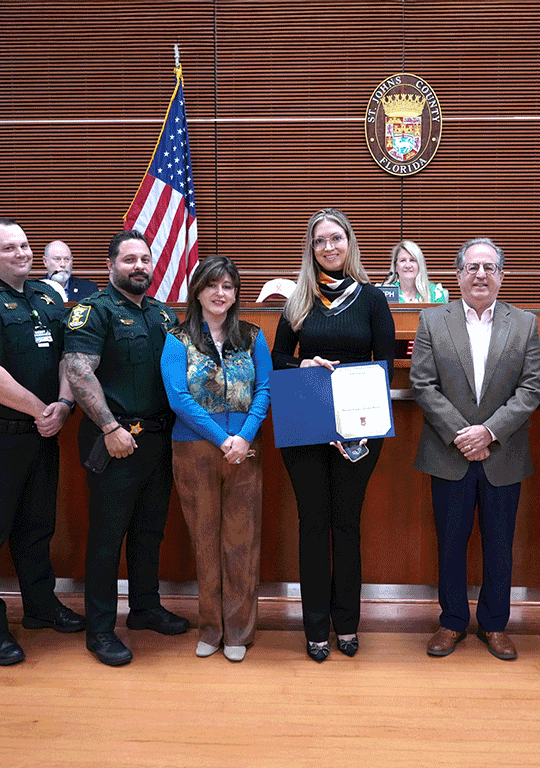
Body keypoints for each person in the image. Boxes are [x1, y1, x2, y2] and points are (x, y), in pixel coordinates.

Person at [0, 218, 84, 666]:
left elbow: (69, 355)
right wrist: (40, 410)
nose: (22, 253)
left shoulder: (47, 296)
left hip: (41, 436)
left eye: (26, 246)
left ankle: (41, 608)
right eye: (9, 248)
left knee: (37, 529)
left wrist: (63, 403)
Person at [410, 237, 540, 661]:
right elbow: (423, 385)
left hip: (503, 453)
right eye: (472, 267)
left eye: (489, 268)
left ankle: (494, 624)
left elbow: (531, 388)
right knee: (450, 542)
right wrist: (462, 434)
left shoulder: (524, 323)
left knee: (499, 544)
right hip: (448, 453)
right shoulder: (432, 321)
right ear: (458, 275)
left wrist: (487, 432)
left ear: (502, 276)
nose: (480, 275)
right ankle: (451, 622)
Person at [272, 208, 395, 662]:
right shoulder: (298, 300)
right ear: (311, 248)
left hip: (358, 428)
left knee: (346, 525)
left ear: (349, 243)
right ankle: (314, 629)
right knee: (312, 524)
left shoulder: (371, 298)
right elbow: (277, 358)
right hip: (306, 422)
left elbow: (383, 366)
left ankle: (347, 624)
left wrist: (353, 417)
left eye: (336, 239)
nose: (329, 247)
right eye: (320, 240)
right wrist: (303, 364)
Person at [62, 229, 188, 666]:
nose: (139, 266)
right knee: (107, 536)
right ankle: (100, 629)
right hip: (116, 439)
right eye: (129, 259)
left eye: (145, 259)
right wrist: (110, 426)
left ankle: (145, 608)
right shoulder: (92, 311)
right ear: (111, 266)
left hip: (159, 439)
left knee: (150, 529)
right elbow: (78, 372)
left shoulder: (164, 315)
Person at [161, 255, 270, 663]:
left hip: (245, 450)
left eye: (227, 286)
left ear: (236, 292)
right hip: (194, 450)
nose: (219, 293)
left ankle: (239, 631)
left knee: (242, 544)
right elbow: (178, 398)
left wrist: (242, 437)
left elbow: (264, 390)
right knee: (205, 543)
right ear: (198, 291)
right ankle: (211, 628)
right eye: (211, 285)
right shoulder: (176, 338)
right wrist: (223, 438)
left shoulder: (252, 335)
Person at [379, 240, 448, 303]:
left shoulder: (435, 293)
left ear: (419, 265)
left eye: (412, 260)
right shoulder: (385, 293)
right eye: (403, 260)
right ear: (396, 266)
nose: (408, 265)